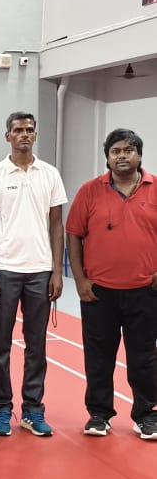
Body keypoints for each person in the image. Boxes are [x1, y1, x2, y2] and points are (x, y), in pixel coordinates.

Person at [0, 110, 67, 437]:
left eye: (30, 129)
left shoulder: (50, 174)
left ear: (35, 134)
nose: (25, 134)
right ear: (8, 136)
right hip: (4, 270)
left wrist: (57, 270)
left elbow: (56, 225)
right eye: (18, 130)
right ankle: (2, 408)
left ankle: (33, 409)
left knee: (36, 345)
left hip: (40, 272)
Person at [66, 127, 157, 439]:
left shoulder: (155, 188)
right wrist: (79, 279)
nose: (122, 156)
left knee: (144, 357)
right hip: (99, 293)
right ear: (107, 157)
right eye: (116, 151)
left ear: (139, 155)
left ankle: (146, 414)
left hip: (146, 291)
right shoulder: (90, 191)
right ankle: (99, 414)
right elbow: (74, 235)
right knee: (99, 356)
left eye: (128, 150)